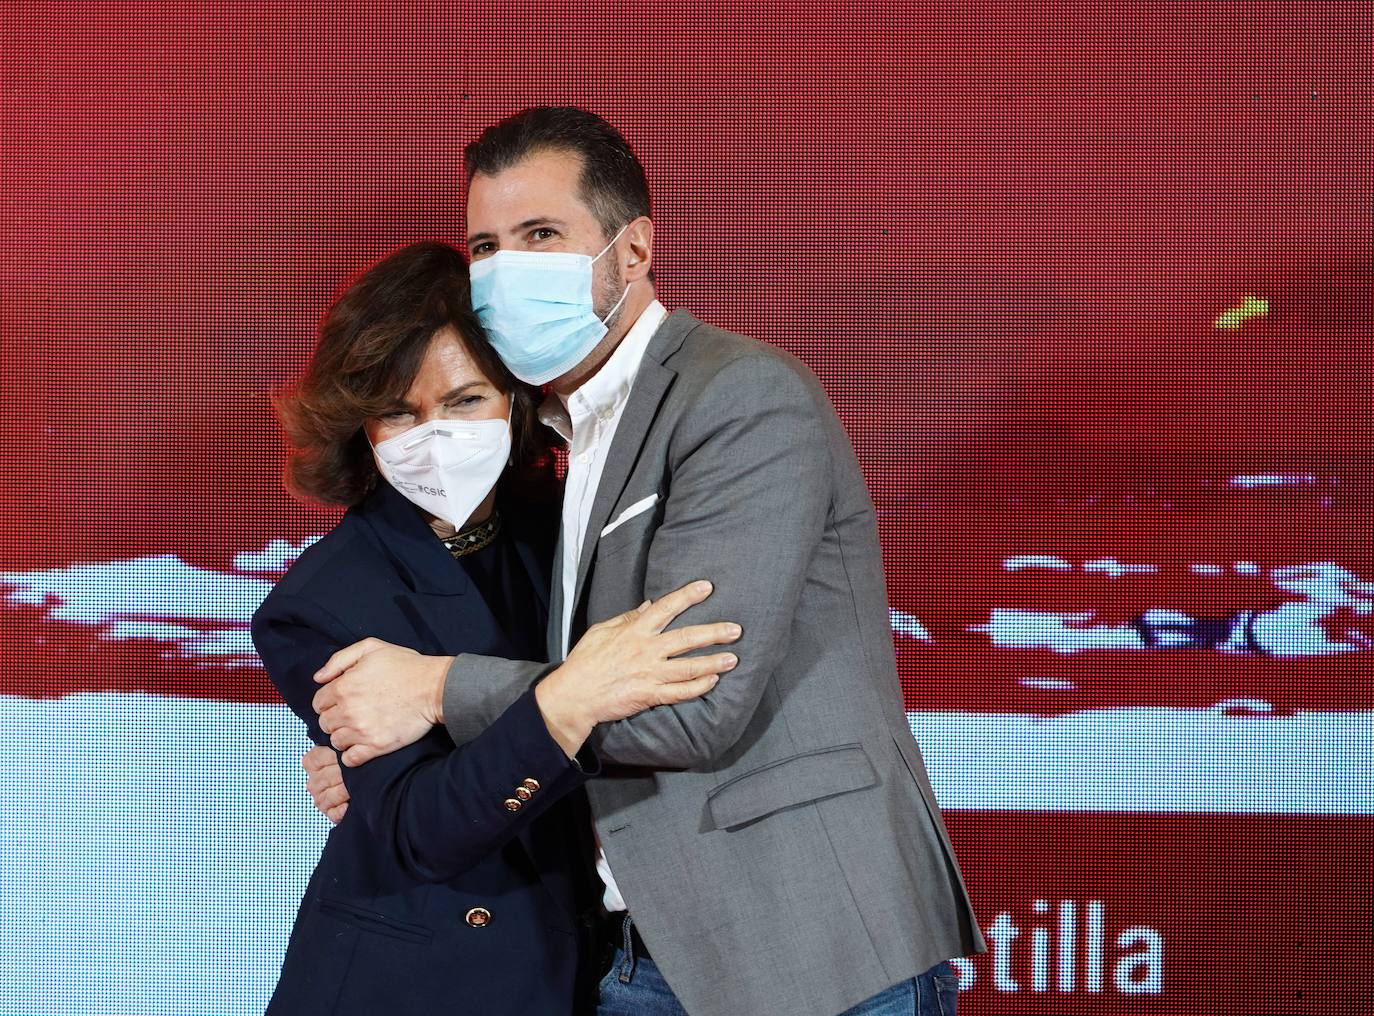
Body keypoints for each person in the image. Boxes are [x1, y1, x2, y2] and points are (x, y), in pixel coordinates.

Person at [306, 107, 984, 1016]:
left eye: (541, 234)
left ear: (632, 251)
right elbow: (588, 688)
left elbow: (694, 710)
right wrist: (405, 765)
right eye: (487, 246)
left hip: (805, 946)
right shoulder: (554, 447)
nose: (507, 271)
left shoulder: (738, 398)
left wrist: (433, 694)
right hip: (640, 951)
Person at [253, 241, 740, 1015]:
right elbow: (423, 828)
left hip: (592, 959)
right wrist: (567, 702)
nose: (433, 435)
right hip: (416, 979)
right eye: (397, 412)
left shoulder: (572, 534)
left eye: (464, 400)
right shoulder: (320, 597)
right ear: (359, 427)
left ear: (516, 400)